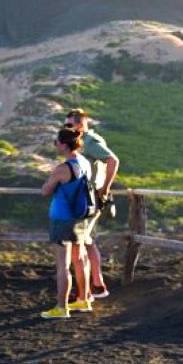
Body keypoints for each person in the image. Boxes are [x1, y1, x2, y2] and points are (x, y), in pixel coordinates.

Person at [39, 126, 95, 320]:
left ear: (63, 144)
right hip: (80, 218)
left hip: (62, 218)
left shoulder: (63, 168)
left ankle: (61, 307)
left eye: (56, 142)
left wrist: (48, 182)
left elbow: (46, 191)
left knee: (62, 265)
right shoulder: (85, 163)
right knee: (80, 259)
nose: (55, 145)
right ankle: (83, 299)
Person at [64, 108, 118, 299]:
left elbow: (113, 161)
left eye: (69, 125)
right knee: (87, 241)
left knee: (79, 243)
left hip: (90, 197)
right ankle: (96, 285)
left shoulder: (90, 142)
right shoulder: (82, 142)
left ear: (80, 123)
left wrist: (103, 190)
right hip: (86, 196)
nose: (67, 128)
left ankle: (85, 291)